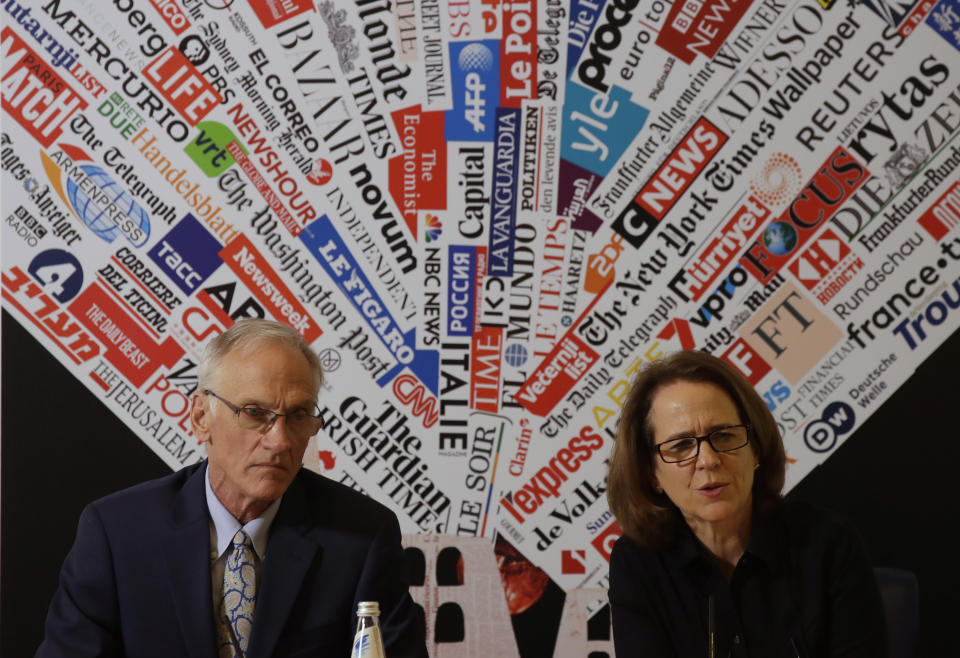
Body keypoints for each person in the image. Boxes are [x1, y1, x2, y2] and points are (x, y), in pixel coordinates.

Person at [38, 319, 427, 658]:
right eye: (255, 413)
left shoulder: (360, 536)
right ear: (200, 417)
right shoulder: (116, 533)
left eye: (298, 416)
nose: (280, 441)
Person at [606, 350, 887, 658]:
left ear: (755, 449)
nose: (709, 460)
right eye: (681, 445)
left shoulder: (828, 544)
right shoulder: (637, 563)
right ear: (652, 474)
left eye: (724, 436)